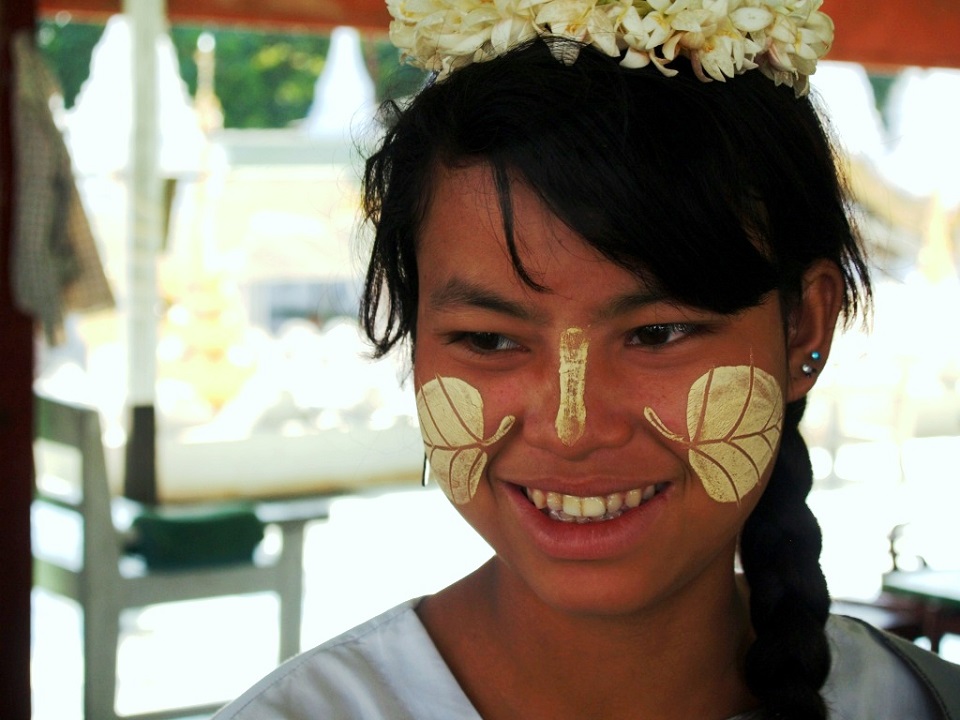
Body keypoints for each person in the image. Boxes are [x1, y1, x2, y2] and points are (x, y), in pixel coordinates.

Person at [215, 2, 960, 718]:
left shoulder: (920, 704)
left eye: (658, 333)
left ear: (803, 325)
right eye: (489, 340)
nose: (571, 429)